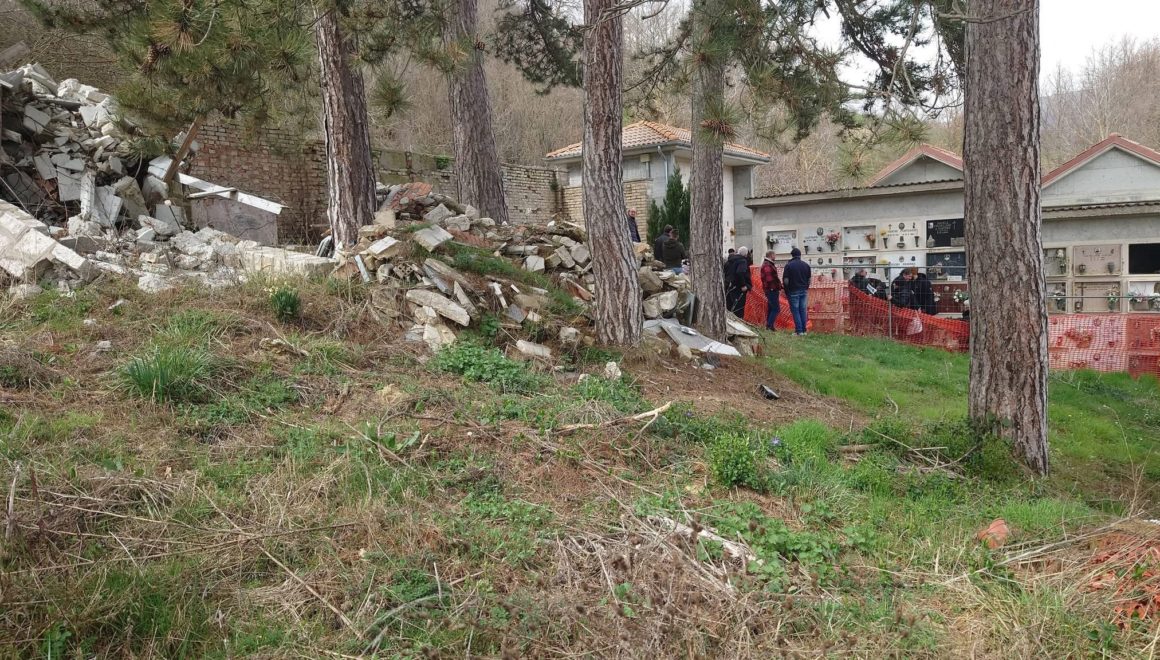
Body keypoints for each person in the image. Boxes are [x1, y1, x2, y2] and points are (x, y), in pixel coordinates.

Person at [783, 247, 811, 335]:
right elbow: (809, 280)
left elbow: (786, 280)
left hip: (793, 291)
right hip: (804, 290)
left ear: (792, 255)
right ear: (800, 255)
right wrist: (806, 287)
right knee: (803, 310)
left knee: (795, 311)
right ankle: (804, 330)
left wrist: (786, 290)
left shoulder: (788, 265)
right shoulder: (806, 265)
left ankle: (799, 331)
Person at [723, 247, 751, 316]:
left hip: (729, 286)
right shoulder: (742, 261)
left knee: (730, 307)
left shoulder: (729, 261)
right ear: (745, 254)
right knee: (739, 307)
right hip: (738, 287)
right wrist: (743, 285)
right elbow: (740, 272)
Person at [760, 250, 783, 331]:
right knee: (776, 309)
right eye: (774, 255)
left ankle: (770, 326)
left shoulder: (768, 264)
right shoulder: (767, 265)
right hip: (771, 289)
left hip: (770, 289)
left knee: (771, 308)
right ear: (771, 255)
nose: (775, 256)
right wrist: (776, 286)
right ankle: (769, 326)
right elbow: (769, 279)